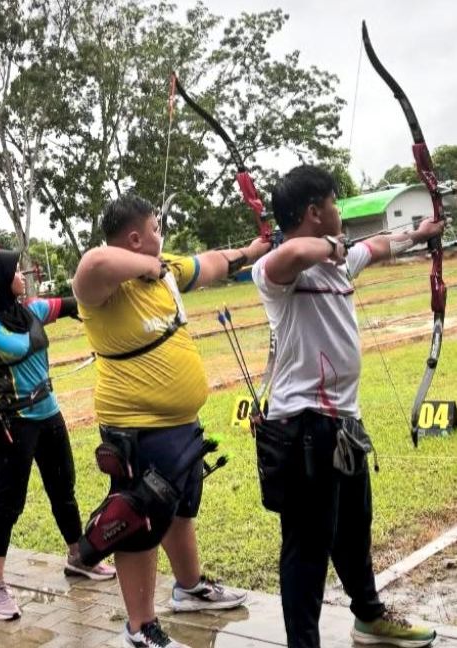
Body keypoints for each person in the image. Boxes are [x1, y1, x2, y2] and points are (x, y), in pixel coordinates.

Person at [251, 165, 439, 648]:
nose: (340, 212)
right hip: (303, 428)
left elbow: (374, 247)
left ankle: (370, 617)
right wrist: (337, 248)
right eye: (334, 204)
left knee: (354, 530)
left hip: (343, 423)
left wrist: (419, 233)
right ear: (314, 212)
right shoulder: (277, 272)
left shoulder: (337, 264)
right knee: (307, 548)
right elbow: (291, 252)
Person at [72, 192, 268, 648]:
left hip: (182, 424)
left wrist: (254, 249)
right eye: (156, 229)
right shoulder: (103, 289)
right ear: (136, 237)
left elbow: (214, 262)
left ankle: (189, 587)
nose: (163, 236)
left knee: (178, 510)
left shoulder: (166, 270)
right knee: (137, 520)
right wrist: (144, 265)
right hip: (136, 429)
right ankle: (139, 628)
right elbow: (92, 264)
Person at [0, 249, 116, 620]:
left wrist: (112, 289)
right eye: (15, 272)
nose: (21, 276)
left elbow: (75, 303)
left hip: (49, 415)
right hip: (14, 423)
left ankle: (79, 558)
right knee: (8, 503)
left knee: (64, 489)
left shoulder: (33, 312)